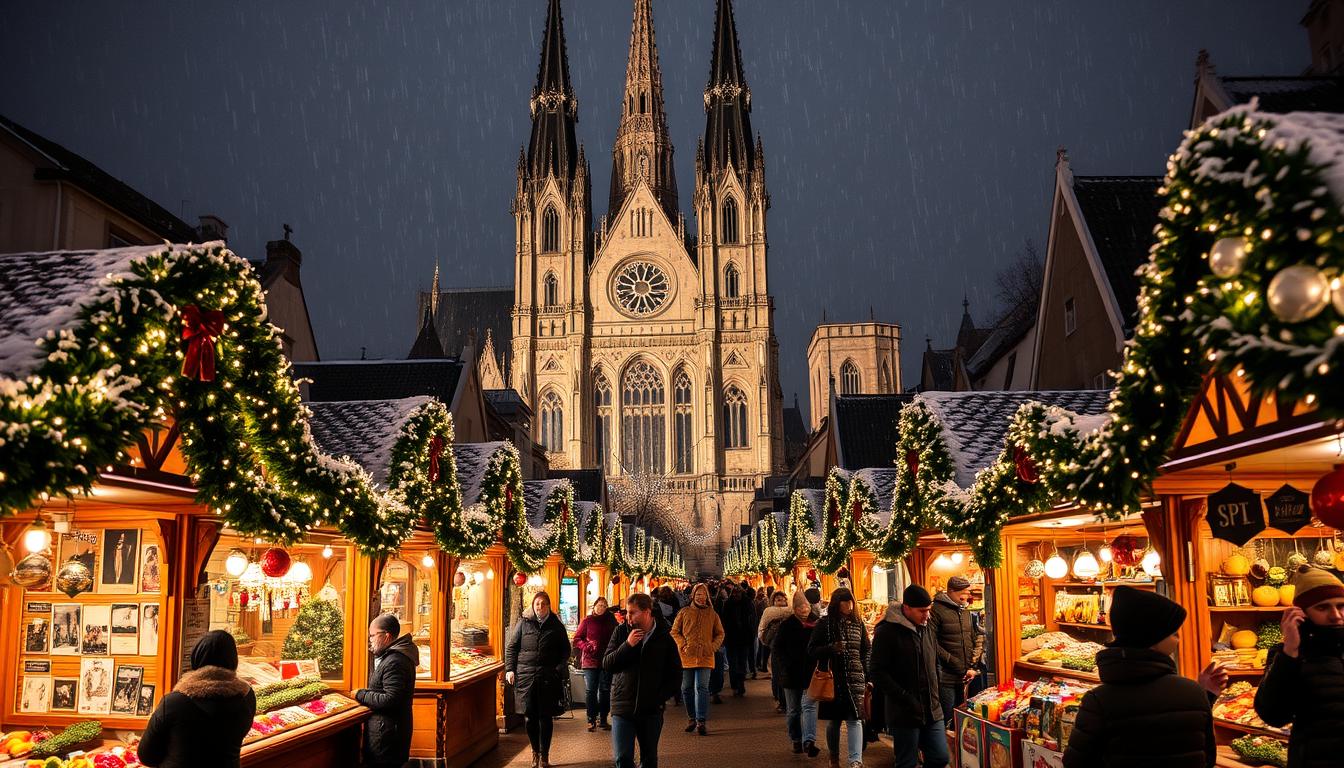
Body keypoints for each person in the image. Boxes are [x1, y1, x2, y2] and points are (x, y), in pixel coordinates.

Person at [1063, 586, 1224, 768]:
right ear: (1151, 637)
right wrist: (1205, 695)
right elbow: (1207, 759)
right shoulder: (1193, 692)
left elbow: (1075, 763)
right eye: (1173, 632)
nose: (1178, 638)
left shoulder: (1098, 701)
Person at [1254, 567, 1344, 768]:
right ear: (1302, 614)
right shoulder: (1288, 654)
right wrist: (1289, 652)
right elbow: (1273, 715)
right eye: (1323, 608)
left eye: (1341, 606)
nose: (1336, 615)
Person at [139, 629, 256, 768]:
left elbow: (146, 756)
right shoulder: (247, 697)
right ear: (233, 660)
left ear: (196, 658)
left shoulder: (174, 703)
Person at [869, 585, 948, 768]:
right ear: (906, 608)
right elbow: (877, 672)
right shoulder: (887, 632)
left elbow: (933, 657)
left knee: (940, 757)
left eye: (928, 610)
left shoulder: (927, 627)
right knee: (906, 762)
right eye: (922, 611)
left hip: (932, 708)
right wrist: (904, 697)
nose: (927, 615)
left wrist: (938, 683)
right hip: (904, 711)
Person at [604, 592, 683, 768]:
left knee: (649, 760)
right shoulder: (621, 632)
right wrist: (627, 645)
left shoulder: (664, 637)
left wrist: (658, 698)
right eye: (626, 612)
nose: (627, 617)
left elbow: (675, 675)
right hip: (622, 705)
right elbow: (607, 663)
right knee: (622, 758)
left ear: (647, 612)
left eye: (632, 612)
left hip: (650, 709)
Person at [506, 592, 572, 768]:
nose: (540, 607)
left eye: (543, 604)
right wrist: (510, 669)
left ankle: (544, 756)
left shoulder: (556, 626)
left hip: (548, 678)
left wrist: (558, 669)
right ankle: (535, 752)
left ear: (548, 606)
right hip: (526, 676)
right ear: (533, 605)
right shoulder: (524, 623)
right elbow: (512, 647)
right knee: (530, 717)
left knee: (546, 717)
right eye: (537, 604)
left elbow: (566, 651)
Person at [808, 587, 869, 768]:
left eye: (851, 601)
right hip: (833, 680)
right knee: (834, 722)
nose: (849, 605)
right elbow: (811, 650)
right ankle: (834, 756)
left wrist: (867, 673)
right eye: (845, 602)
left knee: (855, 719)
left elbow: (866, 649)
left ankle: (855, 760)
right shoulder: (824, 624)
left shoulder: (858, 623)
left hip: (855, 678)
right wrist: (830, 649)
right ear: (837, 603)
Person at [354, 613, 419, 768]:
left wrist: (360, 694)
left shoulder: (395, 661)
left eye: (373, 635)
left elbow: (390, 699)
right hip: (390, 732)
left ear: (387, 635)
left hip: (388, 735)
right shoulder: (395, 657)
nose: (370, 640)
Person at [928, 575, 984, 727]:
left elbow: (971, 638)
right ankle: (943, 749)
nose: (967, 595)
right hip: (945, 675)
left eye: (968, 592)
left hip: (965, 675)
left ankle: (956, 748)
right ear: (951, 591)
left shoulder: (965, 611)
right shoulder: (936, 610)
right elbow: (931, 643)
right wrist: (954, 663)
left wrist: (972, 666)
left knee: (961, 718)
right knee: (946, 716)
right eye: (964, 592)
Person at [671, 582, 725, 734]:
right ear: (693, 596)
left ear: (707, 597)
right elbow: (675, 631)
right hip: (687, 655)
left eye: (703, 595)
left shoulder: (712, 614)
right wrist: (682, 644)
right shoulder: (684, 612)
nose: (701, 598)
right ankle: (691, 718)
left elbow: (720, 633)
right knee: (686, 688)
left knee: (702, 688)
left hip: (706, 656)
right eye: (698, 595)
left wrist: (712, 647)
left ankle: (701, 720)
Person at [775, 589, 821, 756]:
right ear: (794, 608)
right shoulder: (787, 625)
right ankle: (796, 738)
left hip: (810, 673)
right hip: (791, 674)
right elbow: (778, 648)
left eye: (807, 606)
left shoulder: (816, 624)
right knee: (794, 710)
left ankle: (809, 741)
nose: (805, 610)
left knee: (809, 707)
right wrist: (785, 665)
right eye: (801, 607)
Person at [574, 596, 619, 731]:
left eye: (604, 606)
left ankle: (603, 718)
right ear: (594, 606)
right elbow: (577, 638)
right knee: (591, 691)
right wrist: (586, 646)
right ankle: (591, 719)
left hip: (606, 660)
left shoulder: (611, 621)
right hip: (590, 661)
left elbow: (617, 637)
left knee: (605, 690)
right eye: (599, 605)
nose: (601, 608)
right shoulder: (587, 621)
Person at [758, 591, 792, 711]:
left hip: (789, 650)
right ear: (773, 601)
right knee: (778, 675)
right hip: (776, 649)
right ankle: (781, 701)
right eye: (778, 600)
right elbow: (762, 630)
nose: (781, 602)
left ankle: (785, 701)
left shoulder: (792, 614)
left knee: (785, 675)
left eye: (783, 599)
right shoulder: (770, 614)